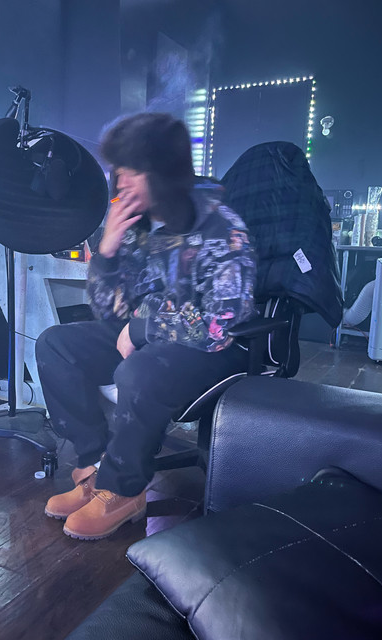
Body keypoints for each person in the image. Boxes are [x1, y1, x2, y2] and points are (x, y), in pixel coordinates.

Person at [35, 112, 256, 540]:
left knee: (140, 369)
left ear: (164, 172)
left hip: (212, 351)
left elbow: (221, 327)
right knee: (55, 345)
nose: (121, 183)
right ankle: (96, 468)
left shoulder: (223, 227)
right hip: (146, 340)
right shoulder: (139, 229)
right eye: (119, 171)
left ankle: (124, 490)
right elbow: (108, 312)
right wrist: (107, 253)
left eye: (132, 171)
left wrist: (143, 329)